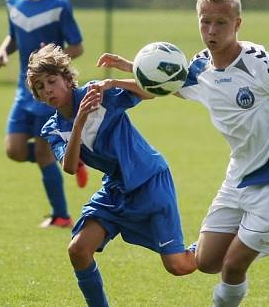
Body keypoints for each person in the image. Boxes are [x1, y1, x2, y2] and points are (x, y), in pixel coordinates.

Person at [97, 0, 269, 306]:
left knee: (233, 266)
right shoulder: (200, 66)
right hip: (239, 176)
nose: (211, 31)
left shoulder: (264, 66)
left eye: (220, 23)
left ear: (237, 24)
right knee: (207, 262)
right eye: (205, 22)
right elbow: (162, 86)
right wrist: (122, 76)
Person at [26, 43, 197, 306]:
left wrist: (113, 81)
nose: (47, 89)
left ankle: (222, 240)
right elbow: (70, 167)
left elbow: (149, 92)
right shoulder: (54, 129)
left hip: (150, 181)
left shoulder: (97, 93)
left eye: (52, 81)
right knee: (79, 250)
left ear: (68, 80)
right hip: (116, 189)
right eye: (40, 86)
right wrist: (80, 119)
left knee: (179, 266)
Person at [0, 0, 89, 228]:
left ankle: (61, 215)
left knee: (44, 153)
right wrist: (2, 52)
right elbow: (14, 35)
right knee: (15, 150)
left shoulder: (59, 5)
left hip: (47, 93)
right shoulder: (13, 1)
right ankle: (74, 159)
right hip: (24, 93)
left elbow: (78, 47)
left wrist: (52, 66)